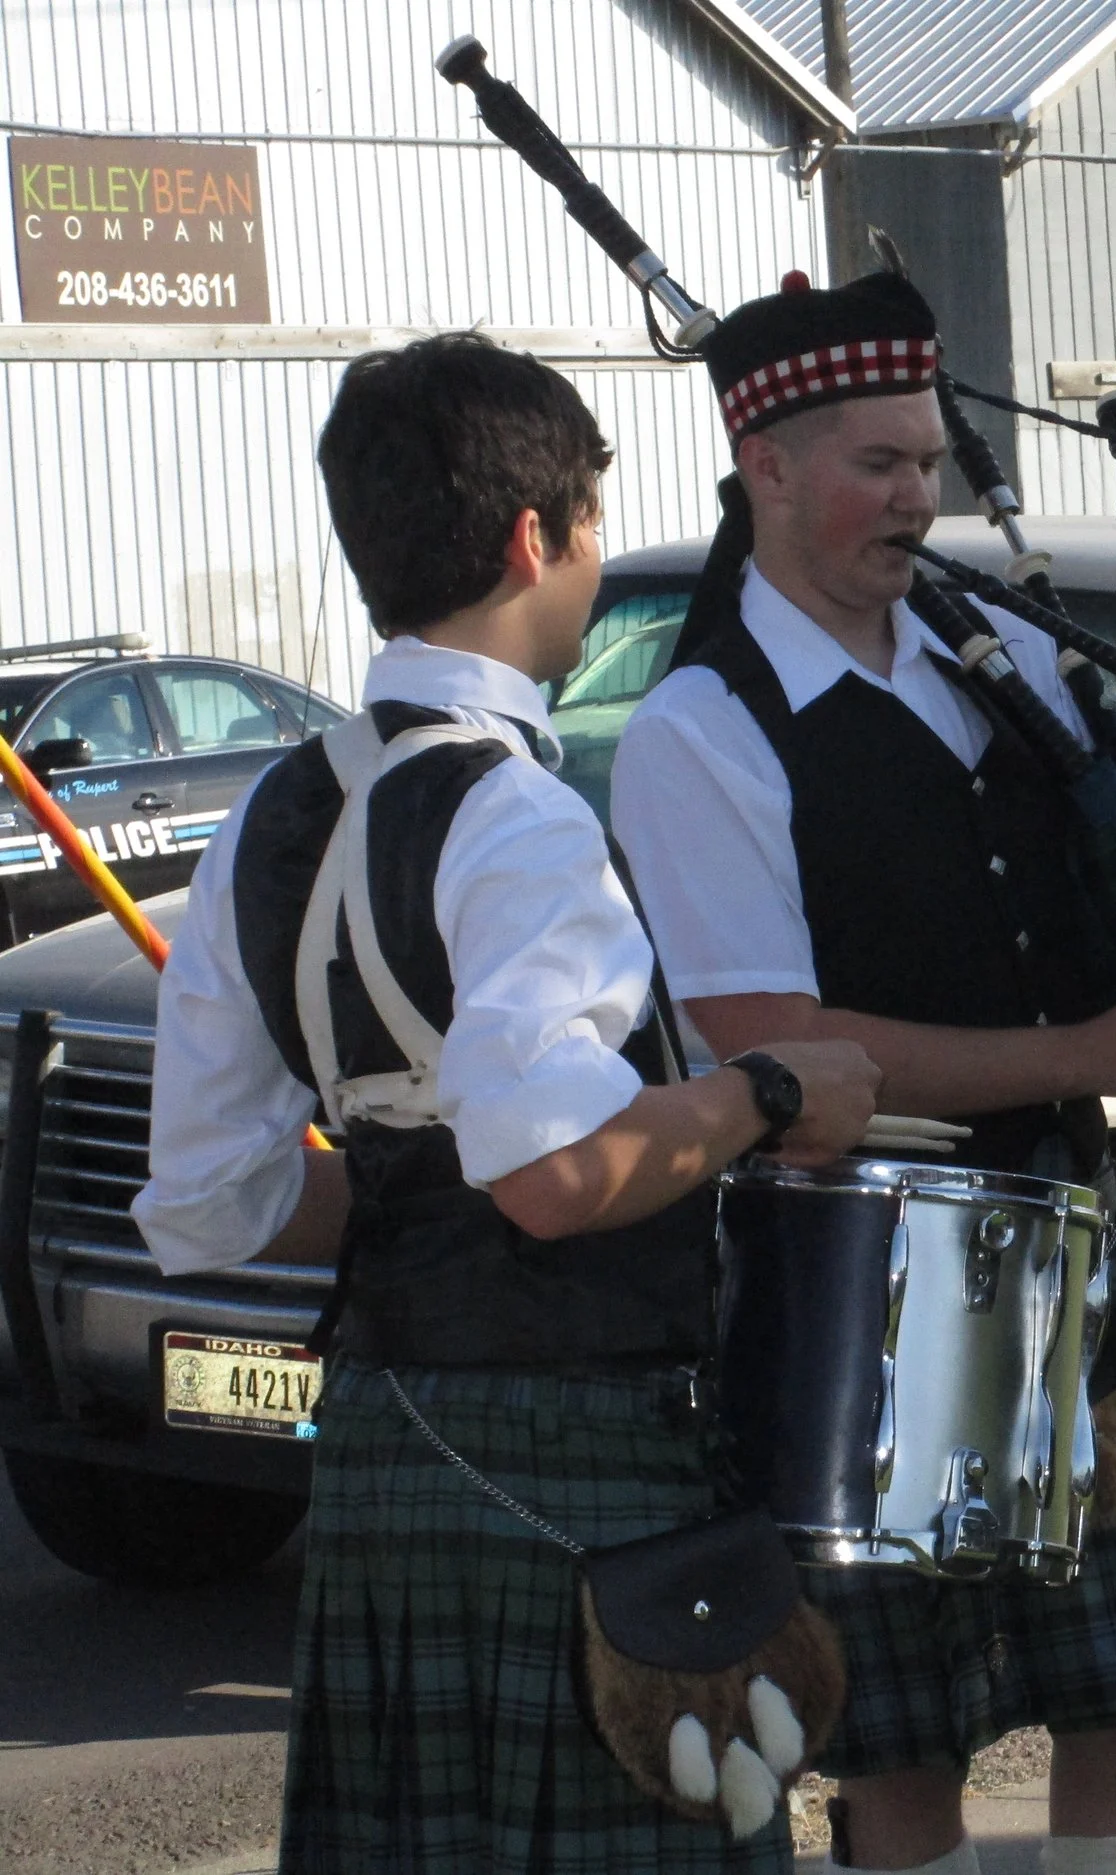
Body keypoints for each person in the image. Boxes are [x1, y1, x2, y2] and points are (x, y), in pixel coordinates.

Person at [610, 270, 1116, 1875]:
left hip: (1056, 1217)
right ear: (769, 471)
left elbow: (1100, 901)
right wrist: (1086, 1052)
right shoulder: (703, 728)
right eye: (876, 463)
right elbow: (765, 1038)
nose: (915, 498)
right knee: (905, 1738)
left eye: (928, 461)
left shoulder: (987, 647)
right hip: (867, 1245)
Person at [134, 334, 883, 1874]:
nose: (596, 560)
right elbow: (550, 1173)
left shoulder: (267, 818)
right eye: (593, 526)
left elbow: (217, 1202)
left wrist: (435, 1185)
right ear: (537, 538)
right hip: (579, 1446)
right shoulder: (522, 815)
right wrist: (769, 1088)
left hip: (388, 1449)